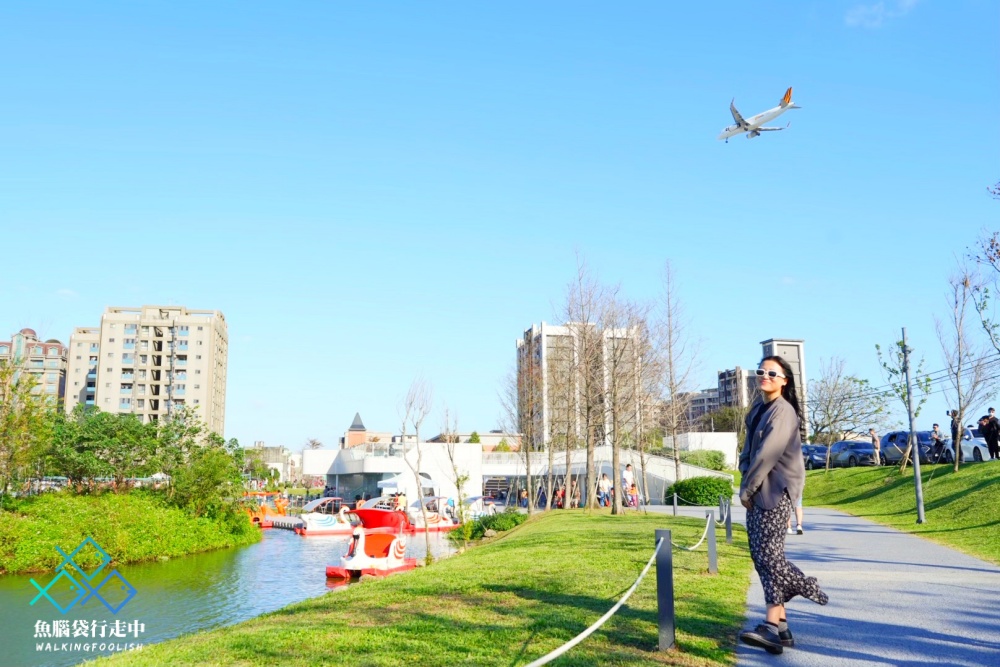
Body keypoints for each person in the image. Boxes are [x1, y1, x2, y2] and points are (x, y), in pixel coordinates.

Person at [738, 356, 828, 654]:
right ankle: (782, 627)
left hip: (774, 492)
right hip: (758, 490)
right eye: (761, 371)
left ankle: (797, 594)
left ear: (784, 379)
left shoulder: (783, 412)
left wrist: (747, 488)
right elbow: (749, 450)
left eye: (772, 373)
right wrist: (744, 476)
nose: (765, 376)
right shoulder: (759, 409)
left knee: (768, 556)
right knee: (761, 556)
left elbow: (768, 453)